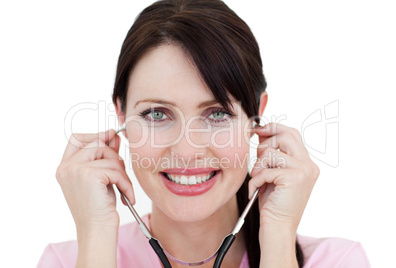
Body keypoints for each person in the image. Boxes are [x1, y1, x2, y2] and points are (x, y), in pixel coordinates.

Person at [38, 0, 370, 267]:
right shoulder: (68, 262)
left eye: (218, 113)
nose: (186, 150)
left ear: (256, 117)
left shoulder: (337, 262)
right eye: (157, 114)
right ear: (122, 115)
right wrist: (96, 239)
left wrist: (278, 241)